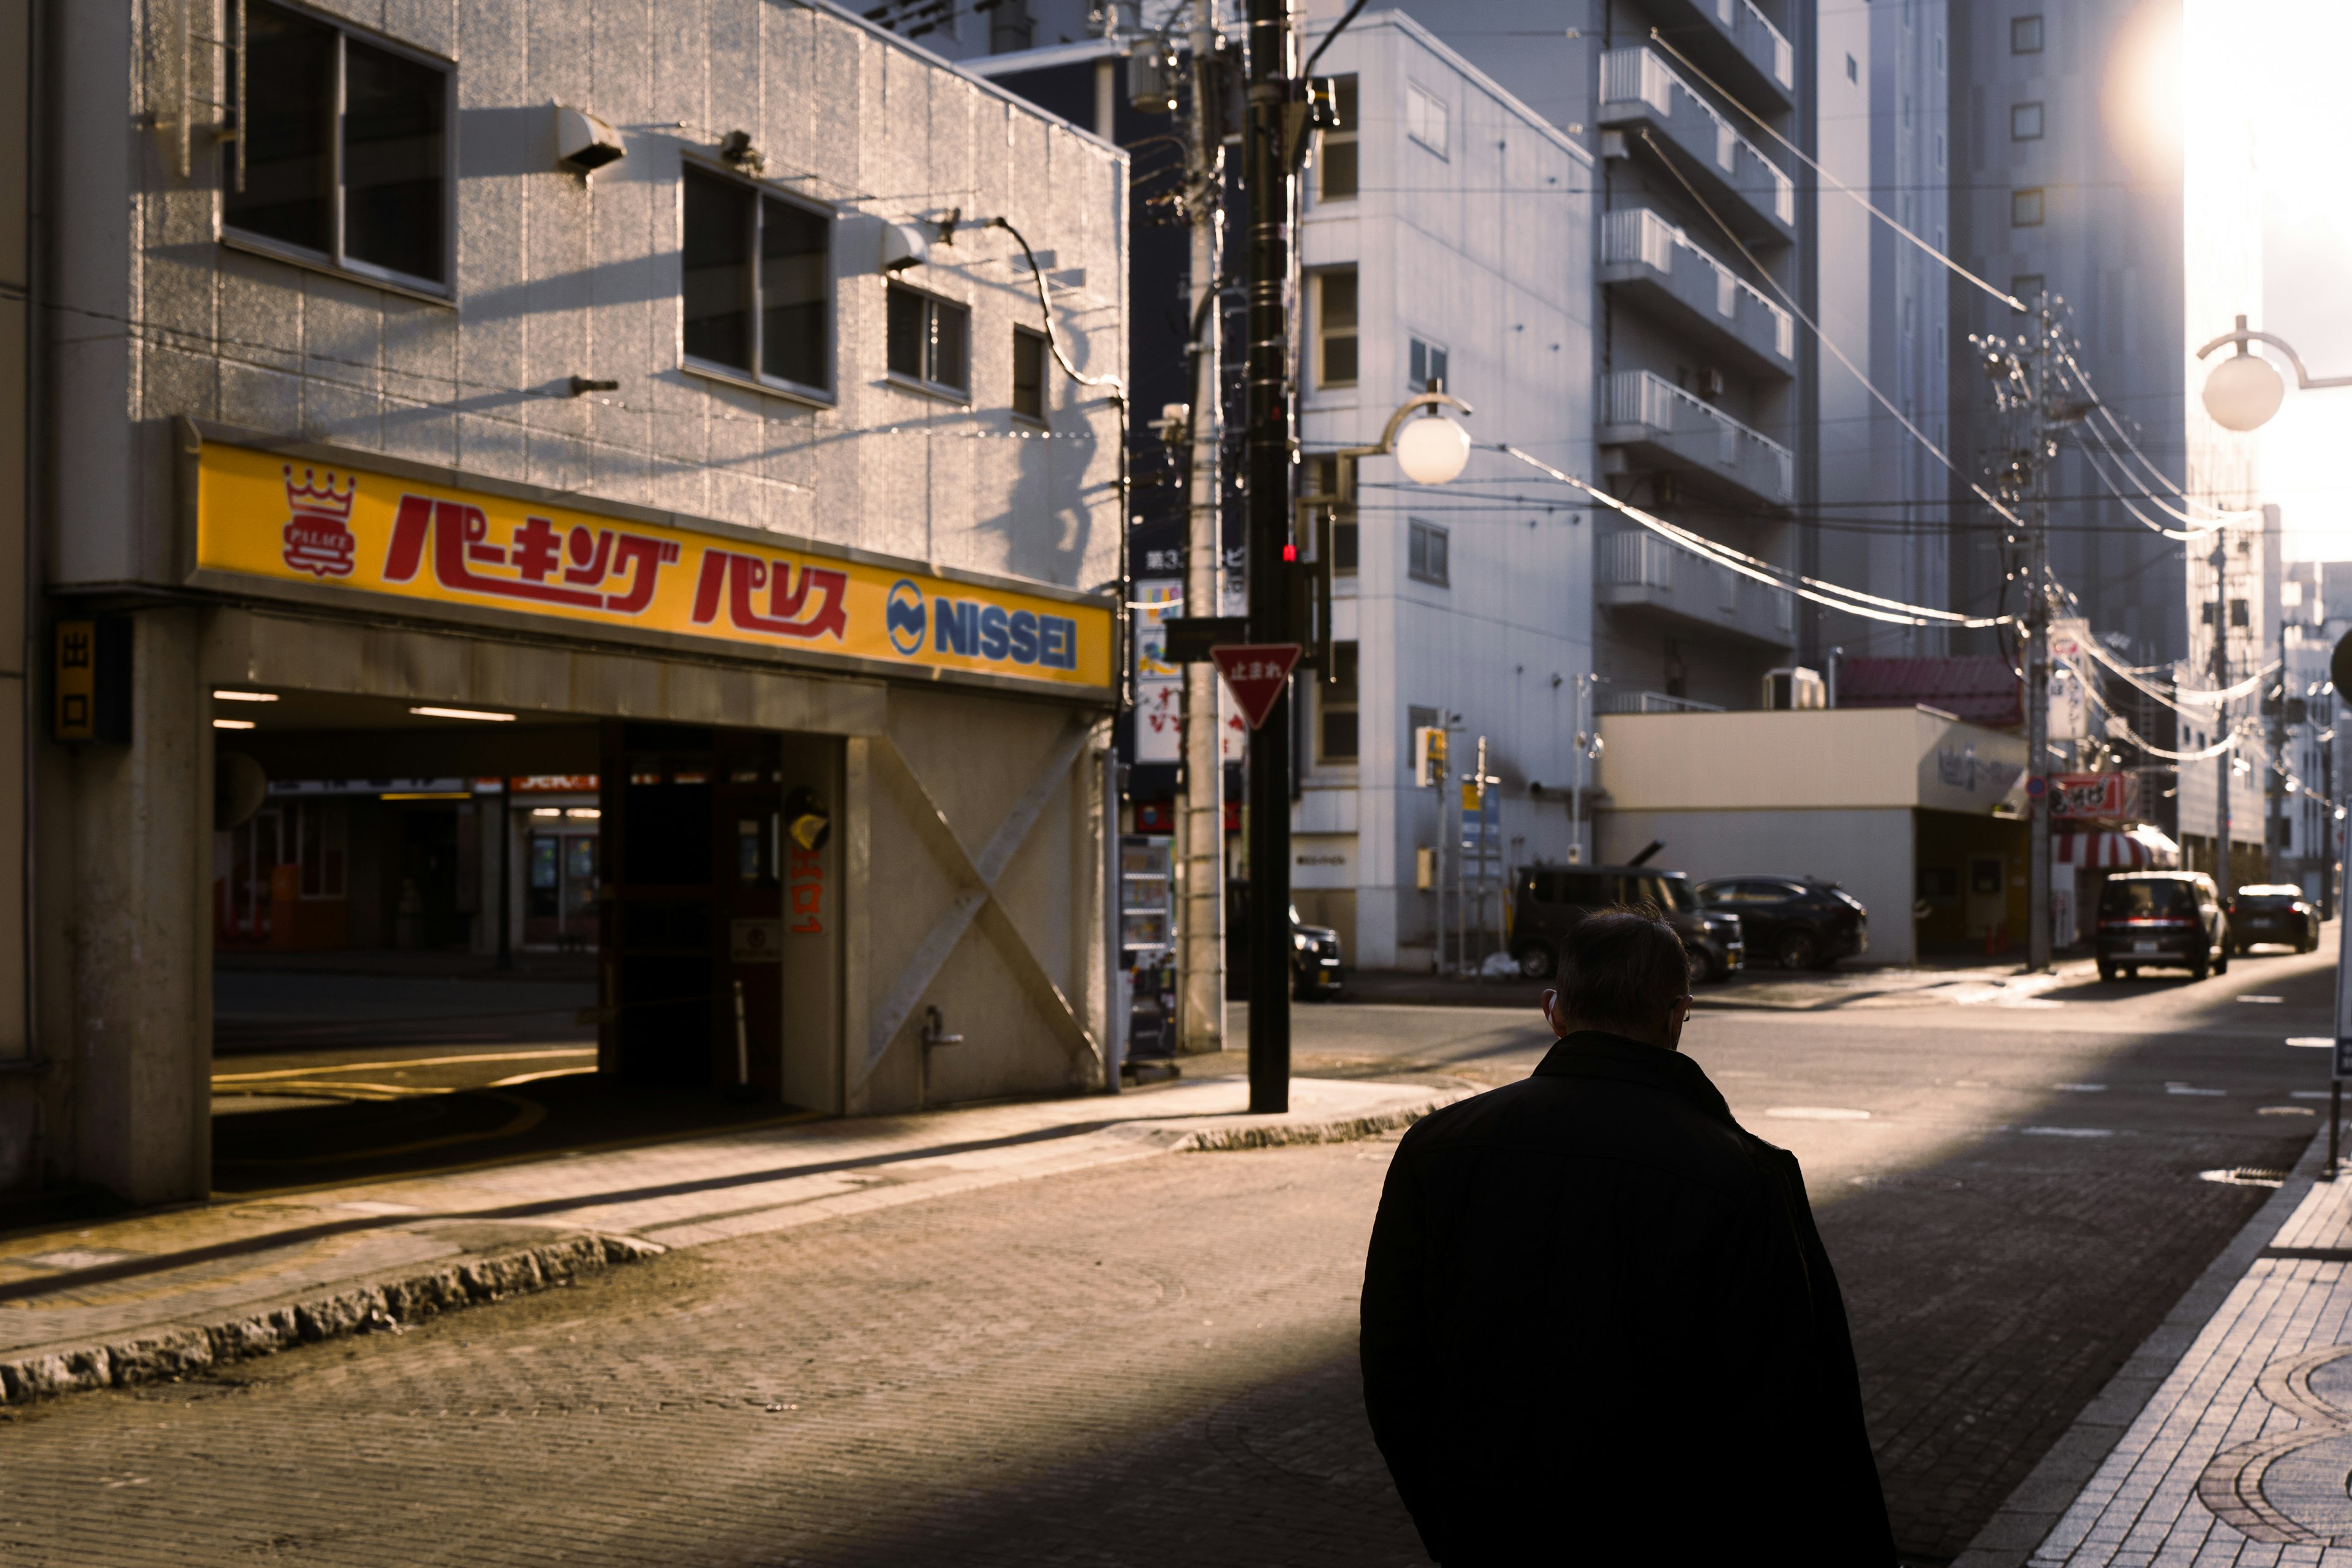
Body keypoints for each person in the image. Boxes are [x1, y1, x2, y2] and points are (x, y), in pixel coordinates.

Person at [1360, 905, 1894, 1564]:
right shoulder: (1743, 1175)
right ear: (1676, 1016)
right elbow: (1796, 1410)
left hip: (1487, 1529)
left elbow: (1393, 1368)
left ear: (1553, 1010)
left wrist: (1452, 1519)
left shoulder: (1435, 1151)